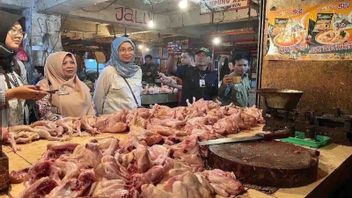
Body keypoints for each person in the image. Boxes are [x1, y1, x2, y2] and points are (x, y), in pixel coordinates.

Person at [0, 11, 47, 126]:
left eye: (21, 31)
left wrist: (33, 94)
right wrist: (13, 94)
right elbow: (16, 93)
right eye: (13, 29)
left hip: (17, 133)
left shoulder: (17, 64)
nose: (19, 35)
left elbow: (23, 95)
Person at [36, 52, 95, 121]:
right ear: (54, 66)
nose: (69, 66)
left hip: (85, 129)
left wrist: (88, 122)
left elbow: (92, 108)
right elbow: (43, 112)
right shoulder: (44, 86)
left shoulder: (82, 86)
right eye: (64, 63)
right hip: (56, 130)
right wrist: (69, 123)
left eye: (72, 62)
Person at [93, 36, 142, 115]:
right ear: (115, 51)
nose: (127, 53)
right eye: (122, 50)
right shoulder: (108, 71)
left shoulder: (137, 71)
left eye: (130, 49)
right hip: (114, 122)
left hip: (133, 120)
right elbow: (98, 99)